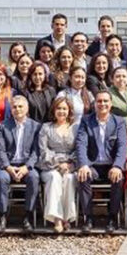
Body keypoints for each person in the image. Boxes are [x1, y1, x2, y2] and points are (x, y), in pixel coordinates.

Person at [75, 90, 127, 233]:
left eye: (105, 101)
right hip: (93, 165)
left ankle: (112, 217)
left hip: (111, 165)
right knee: (83, 176)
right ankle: (89, 217)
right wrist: (84, 164)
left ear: (111, 104)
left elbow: (122, 146)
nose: (102, 104)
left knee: (118, 178)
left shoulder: (119, 122)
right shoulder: (86, 121)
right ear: (95, 104)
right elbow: (81, 144)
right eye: (99, 101)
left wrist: (117, 166)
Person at [0, 96, 41, 232]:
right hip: (8, 165)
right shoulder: (2, 126)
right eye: (14, 107)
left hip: (27, 165)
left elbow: (36, 151)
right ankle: (2, 216)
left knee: (34, 177)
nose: (17, 109)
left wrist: (27, 167)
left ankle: (28, 216)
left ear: (27, 108)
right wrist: (8, 167)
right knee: (1, 178)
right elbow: (0, 150)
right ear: (10, 109)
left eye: (20, 106)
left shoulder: (36, 126)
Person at [38, 96, 79, 233]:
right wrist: (58, 163)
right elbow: (43, 151)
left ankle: (67, 217)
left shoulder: (76, 128)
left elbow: (78, 150)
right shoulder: (46, 128)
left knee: (69, 178)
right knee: (55, 177)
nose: (61, 111)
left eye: (64, 108)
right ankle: (56, 218)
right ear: (54, 110)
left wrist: (68, 164)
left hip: (70, 167)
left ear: (69, 111)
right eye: (59, 108)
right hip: (49, 166)